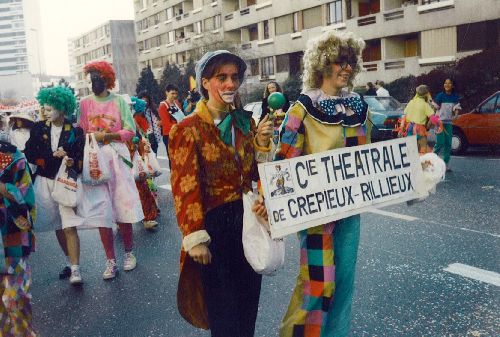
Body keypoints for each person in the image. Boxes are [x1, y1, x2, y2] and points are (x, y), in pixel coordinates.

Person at [169, 50, 273, 336]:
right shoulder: (187, 129)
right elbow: (184, 186)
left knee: (247, 309)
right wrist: (195, 237)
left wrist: (261, 146)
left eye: (234, 78)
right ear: (205, 82)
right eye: (221, 77)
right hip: (214, 227)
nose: (230, 84)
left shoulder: (245, 123)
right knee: (224, 317)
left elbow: (252, 176)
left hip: (246, 223)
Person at [275, 30, 371, 337]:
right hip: (315, 213)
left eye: (350, 62)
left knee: (343, 283)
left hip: (350, 208)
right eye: (338, 62)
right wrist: (270, 199)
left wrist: (414, 165)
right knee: (318, 284)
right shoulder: (302, 110)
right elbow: (284, 160)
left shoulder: (357, 106)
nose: (346, 68)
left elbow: (371, 156)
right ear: (322, 64)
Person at [79, 61, 144, 280]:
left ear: (107, 79)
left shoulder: (119, 101)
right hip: (95, 158)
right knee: (101, 210)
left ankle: (128, 252)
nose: (94, 82)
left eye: (98, 77)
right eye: (91, 78)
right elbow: (79, 132)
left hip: (116, 156)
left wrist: (107, 136)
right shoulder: (84, 103)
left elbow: (130, 130)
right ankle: (110, 260)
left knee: (123, 205)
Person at [25, 86, 85, 284]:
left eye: (50, 109)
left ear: (62, 108)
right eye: (45, 108)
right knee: (57, 226)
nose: (46, 112)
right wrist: (47, 158)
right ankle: (70, 262)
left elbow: (80, 157)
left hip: (66, 181)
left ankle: (76, 269)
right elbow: (29, 153)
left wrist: (69, 159)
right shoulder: (38, 128)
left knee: (69, 225)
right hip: (44, 181)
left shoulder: (75, 130)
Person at [0, 139, 36, 336]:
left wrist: (4, 189)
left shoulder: (12, 156)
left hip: (11, 232)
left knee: (17, 296)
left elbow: (27, 196)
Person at [129, 96, 159, 230]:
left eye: (131, 107)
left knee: (143, 188)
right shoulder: (119, 123)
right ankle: (122, 220)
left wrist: (143, 146)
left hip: (136, 160)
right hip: (124, 161)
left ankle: (148, 217)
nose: (130, 109)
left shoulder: (132, 121)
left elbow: (140, 137)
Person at [432, 78, 461, 171]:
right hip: (439, 123)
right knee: (440, 143)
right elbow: (434, 108)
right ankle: (430, 162)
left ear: (452, 86)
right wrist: (433, 120)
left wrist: (456, 115)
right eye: (445, 83)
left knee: (448, 144)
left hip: (448, 123)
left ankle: (445, 165)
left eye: (449, 83)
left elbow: (456, 108)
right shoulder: (440, 96)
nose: (447, 85)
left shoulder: (455, 96)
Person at [400, 84, 434, 154]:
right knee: (422, 150)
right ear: (426, 94)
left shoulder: (411, 102)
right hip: (420, 129)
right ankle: (420, 164)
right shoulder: (425, 104)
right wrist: (427, 127)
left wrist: (402, 128)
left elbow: (404, 116)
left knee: (410, 151)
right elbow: (433, 118)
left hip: (409, 128)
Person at [158, 84, 183, 168]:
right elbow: (166, 124)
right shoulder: (163, 106)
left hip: (180, 133)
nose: (174, 96)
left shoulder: (177, 104)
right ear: (167, 93)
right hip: (169, 135)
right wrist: (180, 125)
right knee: (172, 158)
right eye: (172, 93)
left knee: (181, 157)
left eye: (176, 93)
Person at [138, 91, 162, 155]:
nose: (145, 103)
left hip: (152, 136)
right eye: (143, 101)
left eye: (146, 101)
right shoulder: (137, 112)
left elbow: (156, 124)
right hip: (143, 137)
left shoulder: (152, 110)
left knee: (154, 156)